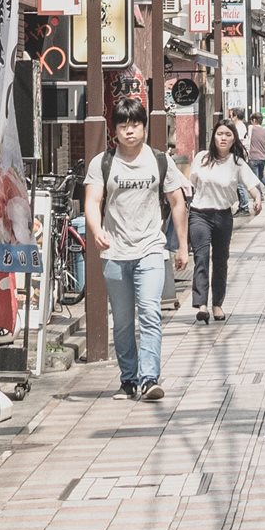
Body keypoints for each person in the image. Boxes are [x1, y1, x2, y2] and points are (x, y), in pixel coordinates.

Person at [84, 99, 188, 400]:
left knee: (151, 313)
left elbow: (177, 202)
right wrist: (97, 230)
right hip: (115, 253)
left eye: (135, 125)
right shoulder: (102, 163)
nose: (129, 131)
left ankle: (149, 378)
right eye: (123, 126)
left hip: (151, 248)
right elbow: (92, 201)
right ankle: (129, 379)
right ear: (114, 130)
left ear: (144, 127)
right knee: (123, 321)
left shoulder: (160, 161)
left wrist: (182, 246)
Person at [184, 115, 263, 321]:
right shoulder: (202, 158)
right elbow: (190, 183)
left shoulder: (237, 162)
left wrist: (257, 198)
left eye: (228, 134)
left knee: (220, 260)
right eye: (219, 134)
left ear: (234, 139)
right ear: (214, 137)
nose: (223, 138)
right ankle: (201, 304)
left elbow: (252, 185)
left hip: (223, 215)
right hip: (199, 214)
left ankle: (217, 304)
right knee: (201, 257)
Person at [246, 112, 265, 198]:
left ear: (254, 120)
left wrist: (247, 153)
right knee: (261, 176)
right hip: (262, 157)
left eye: (251, 120)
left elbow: (248, 141)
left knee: (255, 178)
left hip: (253, 156)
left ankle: (259, 196)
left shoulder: (251, 128)